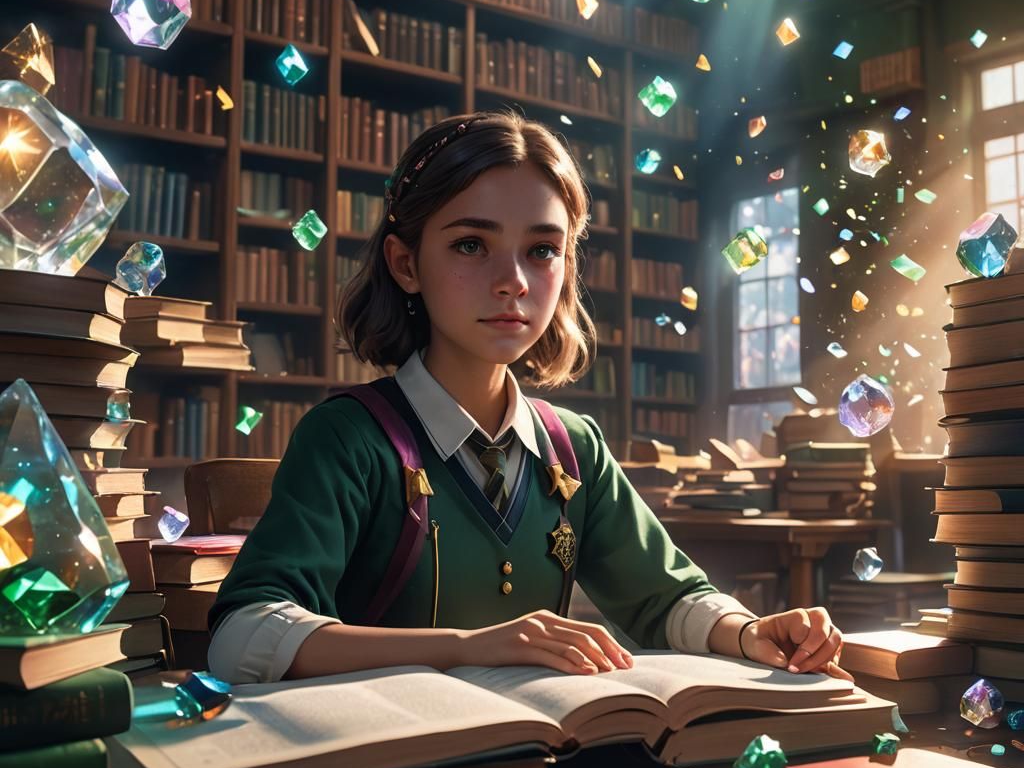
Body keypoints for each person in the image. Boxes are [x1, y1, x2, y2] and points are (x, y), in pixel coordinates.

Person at [207, 110, 852, 686]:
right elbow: (241, 635)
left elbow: (664, 599)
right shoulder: (348, 438)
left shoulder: (576, 448)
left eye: (542, 249)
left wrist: (747, 632)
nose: (512, 281)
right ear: (406, 264)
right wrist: (465, 648)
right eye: (470, 245)